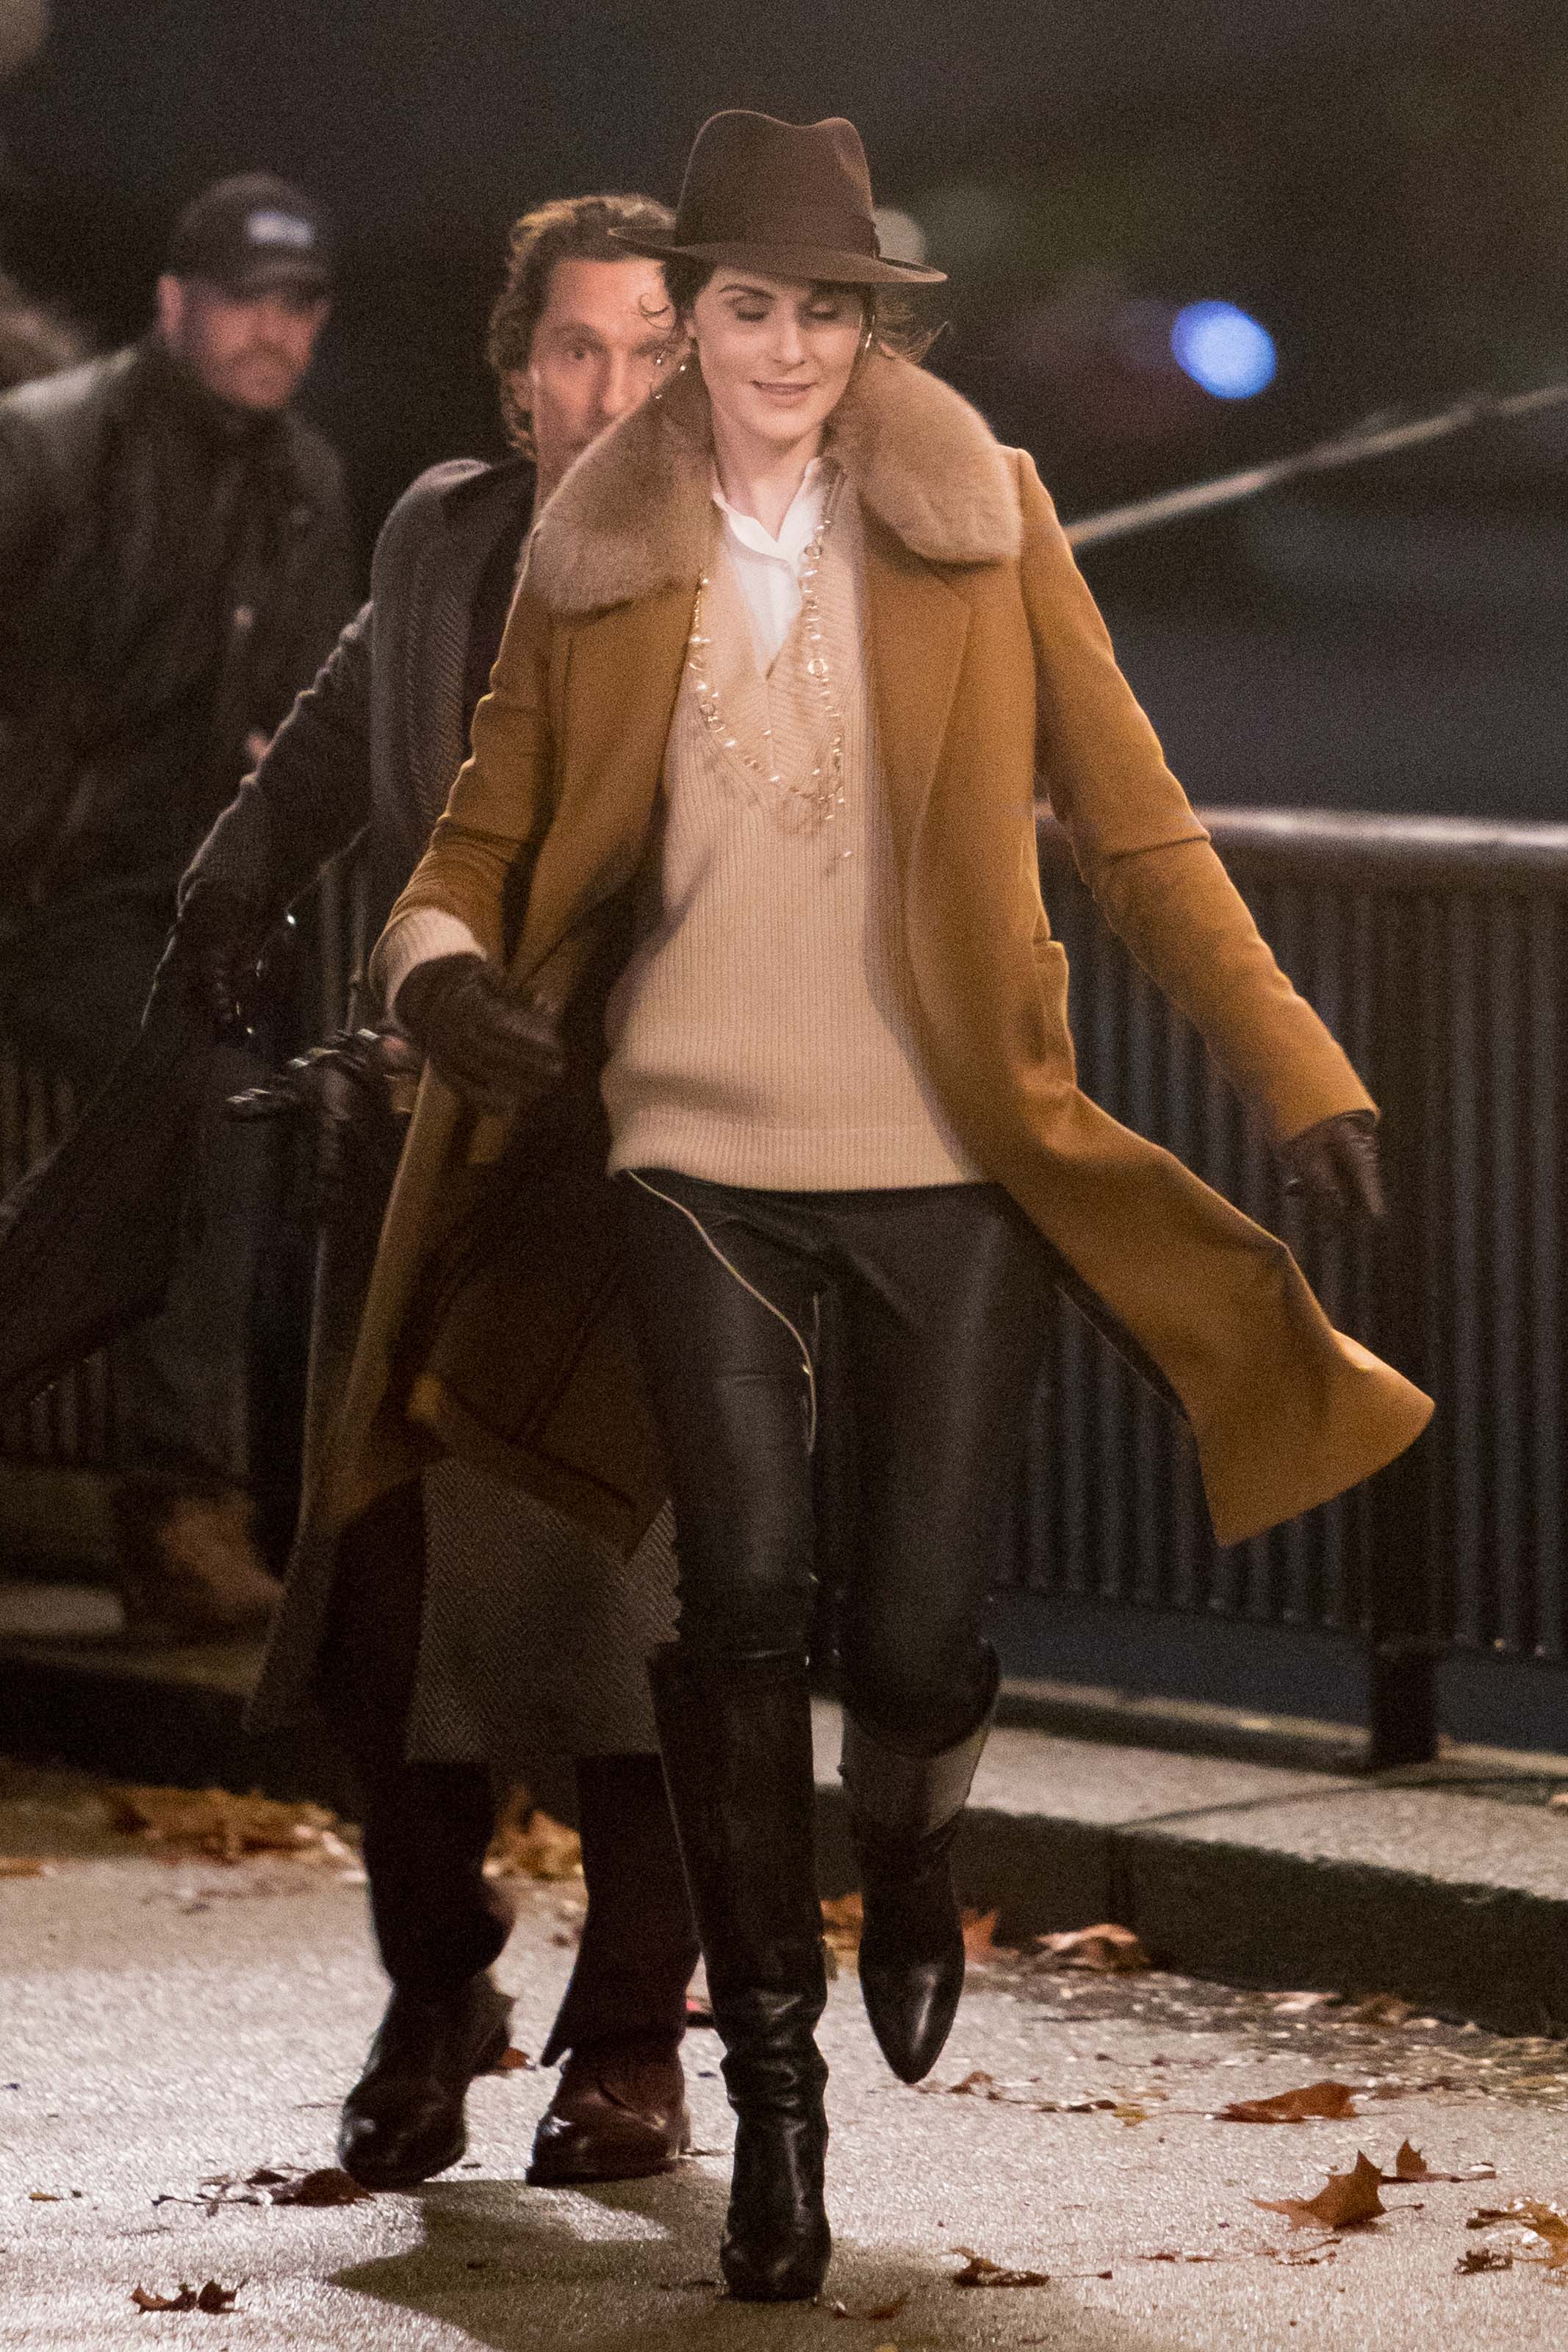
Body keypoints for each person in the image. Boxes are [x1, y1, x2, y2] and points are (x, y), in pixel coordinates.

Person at [349, 111, 1431, 2301]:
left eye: (815, 309)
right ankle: (774, 2108)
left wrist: (1295, 1072)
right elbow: (468, 847)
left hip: (946, 1158)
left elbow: (1132, 831)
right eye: (740, 304)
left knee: (914, 1636)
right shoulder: (594, 547)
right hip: (686, 1156)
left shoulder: (977, 514)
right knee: (732, 1621)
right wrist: (443, 976)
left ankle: (912, 1854)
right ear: (698, 327)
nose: (776, 344)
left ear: (862, 329)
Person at [175, 196, 698, 2193]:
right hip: (418, 1157)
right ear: (517, 375)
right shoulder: (440, 533)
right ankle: (431, 1990)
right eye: (577, 348)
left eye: (654, 347)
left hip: (642, 1169)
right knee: (380, 1607)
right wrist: (238, 873)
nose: (612, 387)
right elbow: (339, 731)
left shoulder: (733, 575)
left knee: (626, 1607)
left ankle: (634, 2036)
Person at [0, 173, 350, 1638]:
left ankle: (218, 1511)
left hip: (157, 911)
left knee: (266, 1112)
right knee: (209, 1114)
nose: (273, 330)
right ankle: (183, 1511)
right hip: (31, 888)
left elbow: (307, 715)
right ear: (172, 303)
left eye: (298, 305)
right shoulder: (47, 444)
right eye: (243, 299)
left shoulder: (303, 483)